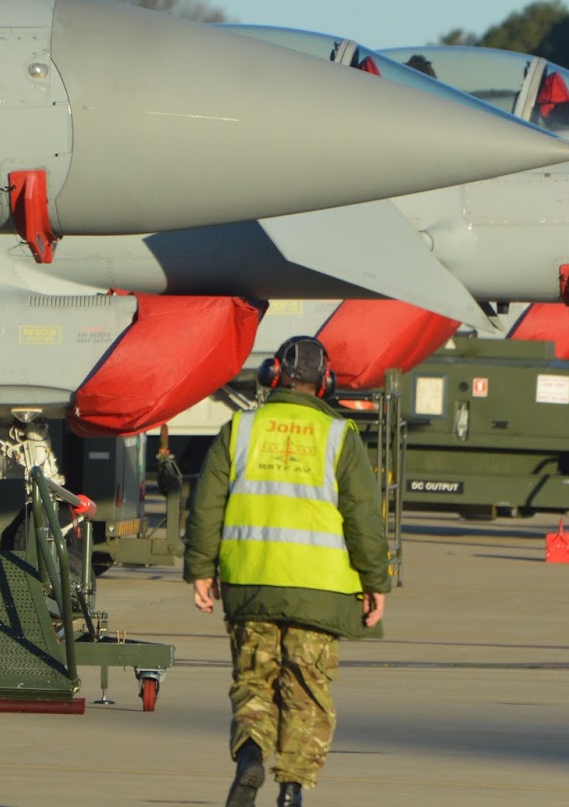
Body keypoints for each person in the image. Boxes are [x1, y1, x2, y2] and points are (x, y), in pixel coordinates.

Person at [185, 336, 392, 807]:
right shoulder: (340, 436)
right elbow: (363, 517)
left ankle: (252, 756)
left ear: (272, 375)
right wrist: (375, 582)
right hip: (320, 592)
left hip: (251, 583)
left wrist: (201, 569)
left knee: (254, 682)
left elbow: (206, 505)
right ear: (326, 382)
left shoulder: (239, 429)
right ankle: (291, 790)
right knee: (306, 691)